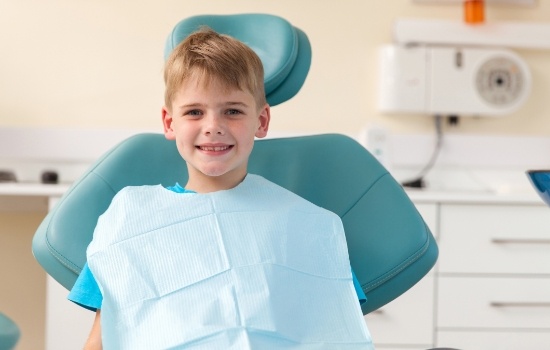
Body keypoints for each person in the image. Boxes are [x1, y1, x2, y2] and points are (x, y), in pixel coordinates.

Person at [69, 27, 374, 349]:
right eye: (194, 112)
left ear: (262, 121)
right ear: (170, 122)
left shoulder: (308, 226)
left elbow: (339, 331)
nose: (213, 127)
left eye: (232, 111)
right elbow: (104, 335)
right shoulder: (131, 221)